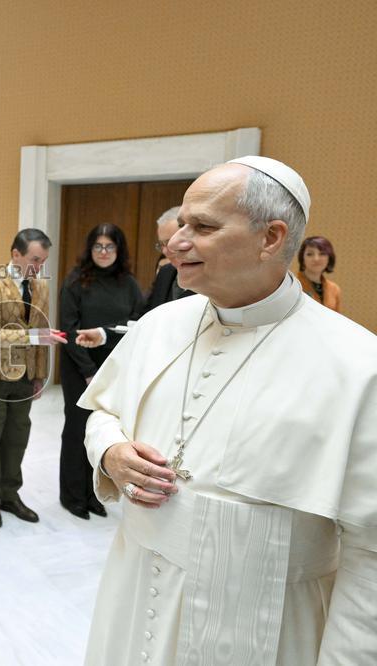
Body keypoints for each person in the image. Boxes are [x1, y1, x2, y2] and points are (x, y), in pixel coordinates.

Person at [80, 156, 377, 665]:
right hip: (133, 596)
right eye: (180, 224)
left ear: (270, 237)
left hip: (265, 629)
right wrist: (109, 451)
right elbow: (103, 411)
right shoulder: (159, 324)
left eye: (203, 226)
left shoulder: (359, 364)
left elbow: (370, 556)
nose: (175, 241)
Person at [0, 228, 66, 528]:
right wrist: (35, 337)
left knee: (17, 438)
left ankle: (10, 495)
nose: (38, 267)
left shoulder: (41, 287)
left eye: (43, 261)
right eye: (34, 260)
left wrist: (39, 376)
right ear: (16, 254)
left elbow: (43, 327)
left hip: (24, 376)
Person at [58, 224, 143, 520]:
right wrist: (88, 371)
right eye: (98, 246)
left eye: (110, 247)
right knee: (77, 427)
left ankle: (94, 494)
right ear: (89, 249)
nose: (104, 252)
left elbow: (137, 325)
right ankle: (72, 496)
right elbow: (68, 330)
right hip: (79, 366)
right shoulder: (75, 281)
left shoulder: (129, 284)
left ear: (119, 251)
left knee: (104, 428)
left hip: (115, 367)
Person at [141, 206, 194, 314]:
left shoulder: (208, 275)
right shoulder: (165, 272)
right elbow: (142, 316)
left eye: (170, 241)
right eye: (161, 244)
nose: (165, 251)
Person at [296, 235, 342, 312]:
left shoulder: (334, 289)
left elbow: (337, 319)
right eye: (310, 254)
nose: (316, 259)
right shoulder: (293, 285)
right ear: (302, 258)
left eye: (322, 254)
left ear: (329, 258)